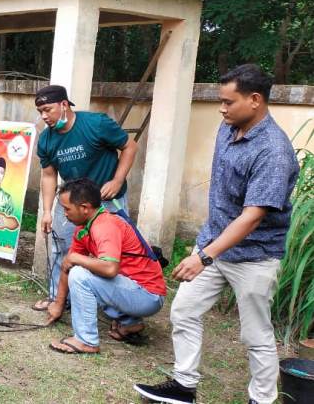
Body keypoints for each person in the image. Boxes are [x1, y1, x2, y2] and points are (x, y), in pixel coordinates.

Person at [134, 64, 298, 404]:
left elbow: (253, 216)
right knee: (184, 311)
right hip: (212, 244)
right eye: (220, 101)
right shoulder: (228, 128)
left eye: (228, 101)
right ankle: (184, 385)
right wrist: (206, 249)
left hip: (254, 256)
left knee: (255, 334)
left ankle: (263, 399)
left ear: (255, 100)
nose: (221, 108)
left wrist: (204, 256)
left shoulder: (273, 151)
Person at [33, 85, 139, 311]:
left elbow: (130, 146)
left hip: (107, 200)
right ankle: (59, 297)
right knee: (63, 248)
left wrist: (117, 180)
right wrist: (47, 211)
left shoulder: (96, 124)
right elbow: (49, 175)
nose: (44, 116)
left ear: (64, 105)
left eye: (47, 109)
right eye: (40, 111)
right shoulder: (46, 140)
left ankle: (119, 310)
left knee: (110, 253)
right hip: (70, 202)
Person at [45, 179, 166, 354]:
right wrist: (58, 304)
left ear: (85, 208)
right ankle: (131, 323)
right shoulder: (84, 228)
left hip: (148, 296)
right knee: (79, 267)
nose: (64, 214)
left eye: (67, 209)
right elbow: (67, 264)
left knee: (80, 274)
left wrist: (76, 258)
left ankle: (86, 340)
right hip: (135, 289)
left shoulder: (105, 225)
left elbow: (110, 269)